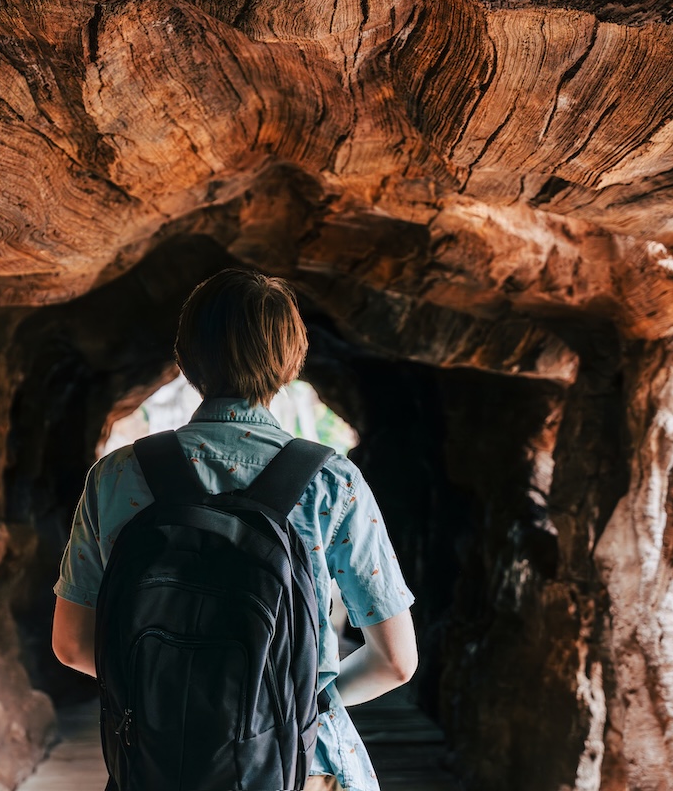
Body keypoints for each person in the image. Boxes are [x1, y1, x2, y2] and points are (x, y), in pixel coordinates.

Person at [52, 268, 418, 791]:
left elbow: (71, 644)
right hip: (298, 766)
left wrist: (169, 698)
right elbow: (396, 662)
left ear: (185, 357)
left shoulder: (115, 476)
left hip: (159, 763)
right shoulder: (331, 482)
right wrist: (290, 702)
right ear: (291, 360)